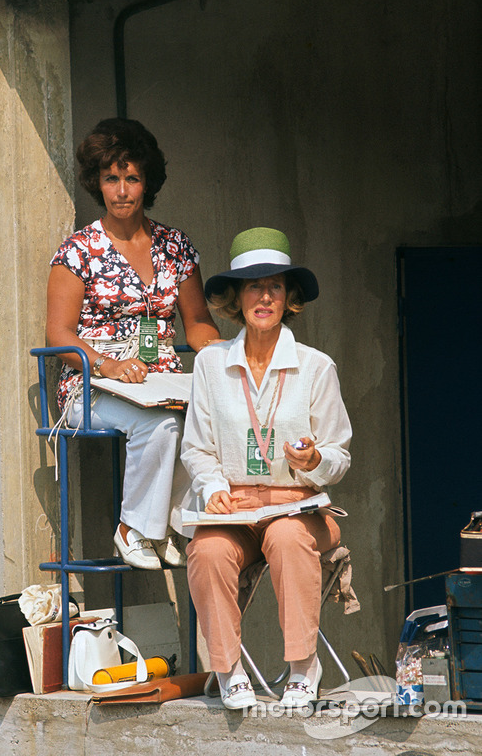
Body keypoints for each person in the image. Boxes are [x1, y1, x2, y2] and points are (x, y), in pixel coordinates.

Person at [180, 227, 352, 709]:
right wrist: (212, 485)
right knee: (208, 550)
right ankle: (229, 670)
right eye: (252, 286)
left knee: (287, 538)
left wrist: (314, 460)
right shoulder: (212, 364)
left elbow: (340, 455)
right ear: (236, 297)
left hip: (298, 512)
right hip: (234, 513)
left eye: (274, 285)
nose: (263, 296)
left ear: (288, 296)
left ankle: (302, 666)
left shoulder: (316, 367)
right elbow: (197, 447)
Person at [46, 118, 220, 570]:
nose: (122, 190)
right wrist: (106, 365)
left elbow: (198, 322)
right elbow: (58, 334)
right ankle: (133, 528)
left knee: (208, 412)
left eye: (132, 178)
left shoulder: (174, 246)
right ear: (97, 183)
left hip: (161, 381)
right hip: (93, 387)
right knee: (161, 426)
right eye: (111, 179)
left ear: (147, 183)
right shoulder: (79, 251)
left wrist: (221, 356)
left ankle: (168, 525)